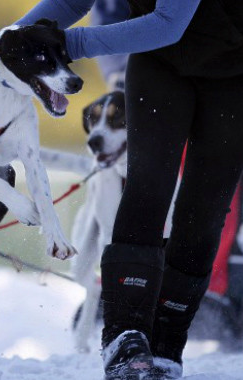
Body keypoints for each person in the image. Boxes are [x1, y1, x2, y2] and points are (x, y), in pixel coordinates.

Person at [17, 1, 243, 379]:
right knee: (147, 187)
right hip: (160, 66)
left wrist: (62, 44)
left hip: (233, 73)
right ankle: (124, 336)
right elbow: (73, 2)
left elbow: (169, 22)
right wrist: (9, 40)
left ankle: (168, 343)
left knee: (204, 209)